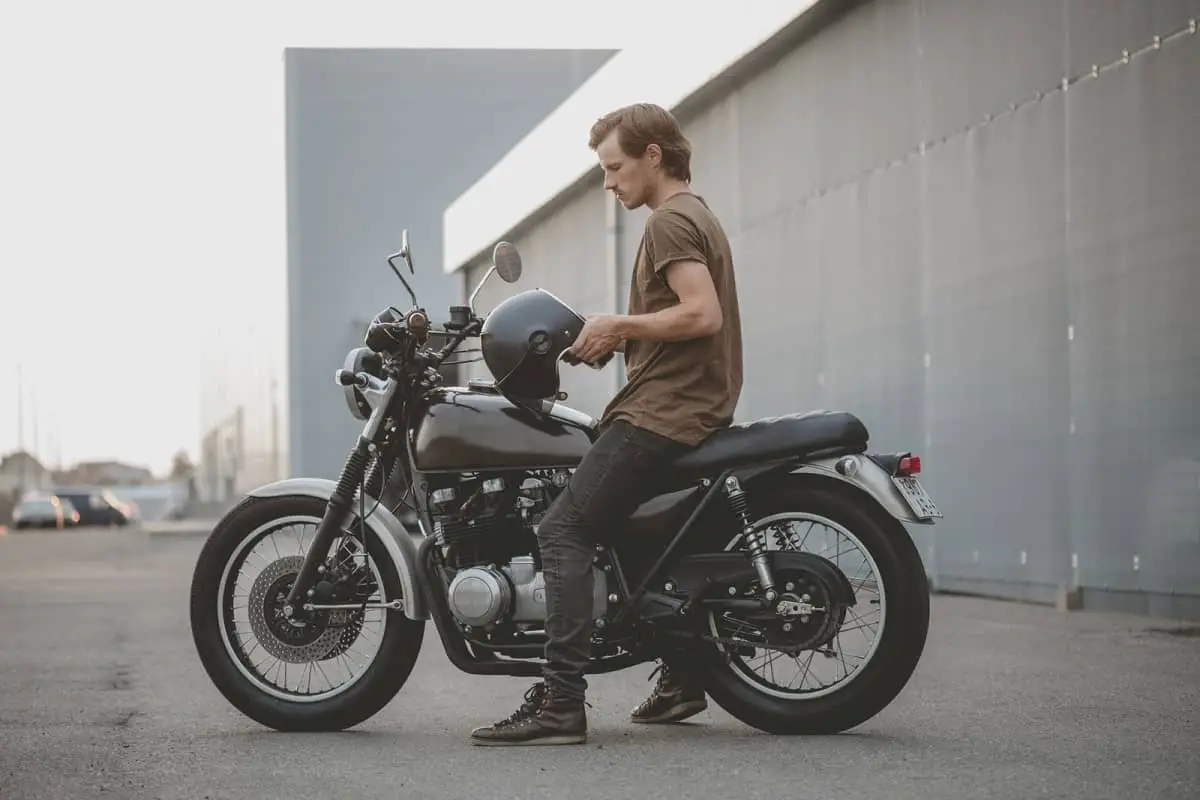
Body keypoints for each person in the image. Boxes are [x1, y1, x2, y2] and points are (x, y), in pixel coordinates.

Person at [470, 102, 743, 746]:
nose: (608, 181)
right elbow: (678, 323)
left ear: (653, 156)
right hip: (683, 402)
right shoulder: (693, 213)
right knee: (627, 533)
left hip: (666, 412)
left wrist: (621, 326)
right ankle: (682, 673)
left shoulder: (670, 220)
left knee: (563, 527)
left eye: (614, 167)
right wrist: (613, 339)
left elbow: (702, 316)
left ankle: (561, 703)